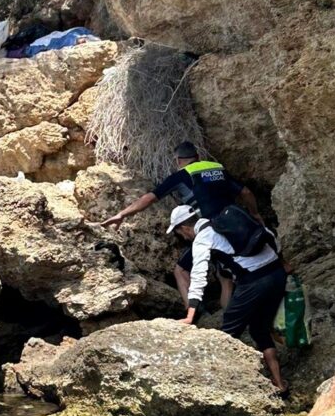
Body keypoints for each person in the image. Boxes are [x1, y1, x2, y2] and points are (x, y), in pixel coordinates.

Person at [101, 141, 263, 310]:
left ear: (178, 160)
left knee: (182, 270)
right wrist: (255, 213)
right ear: (198, 157)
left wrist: (122, 214)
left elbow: (149, 198)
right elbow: (246, 192)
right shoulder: (217, 168)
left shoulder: (181, 176)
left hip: (212, 230)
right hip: (238, 224)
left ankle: (193, 314)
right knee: (227, 276)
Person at [166, 204, 289, 396]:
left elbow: (198, 276)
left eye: (180, 234)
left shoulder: (202, 239)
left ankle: (212, 387)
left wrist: (190, 314)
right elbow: (267, 234)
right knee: (259, 328)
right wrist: (282, 263)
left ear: (184, 228)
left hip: (254, 281)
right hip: (276, 273)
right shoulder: (225, 222)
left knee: (227, 333)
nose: (183, 238)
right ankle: (279, 383)